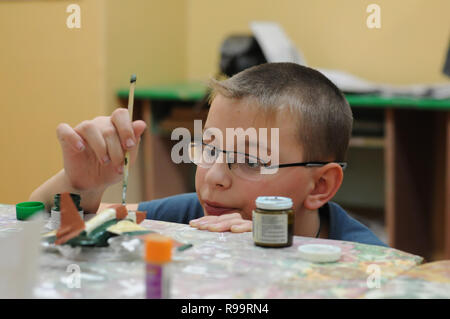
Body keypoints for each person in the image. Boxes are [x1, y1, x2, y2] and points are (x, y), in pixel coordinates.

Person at [30, 62, 386, 247]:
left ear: (320, 185)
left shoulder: (361, 257)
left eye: (251, 161)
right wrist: (83, 185)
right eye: (210, 149)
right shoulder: (191, 213)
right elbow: (46, 223)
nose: (214, 175)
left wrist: (270, 255)